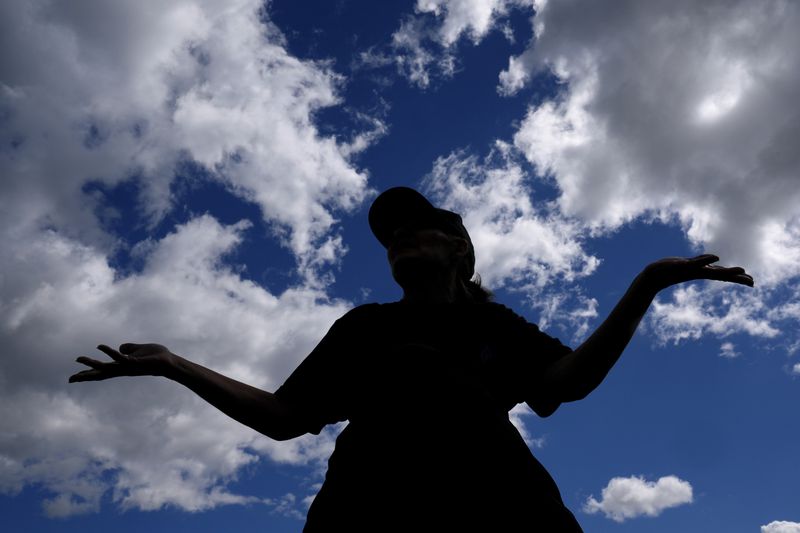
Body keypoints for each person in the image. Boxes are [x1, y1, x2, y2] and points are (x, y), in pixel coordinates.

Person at [70, 187, 754, 531]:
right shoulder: (365, 327)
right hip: (365, 517)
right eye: (390, 234)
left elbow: (565, 382)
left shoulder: (493, 324)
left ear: (460, 250)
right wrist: (173, 364)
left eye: (416, 225)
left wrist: (646, 286)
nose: (398, 235)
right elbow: (285, 416)